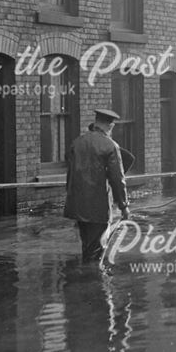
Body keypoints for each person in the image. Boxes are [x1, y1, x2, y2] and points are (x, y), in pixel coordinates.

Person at [64, 108, 130, 261]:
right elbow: (117, 179)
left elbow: (70, 175)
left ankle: (84, 280)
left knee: (87, 246)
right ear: (110, 126)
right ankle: (93, 282)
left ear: (95, 123)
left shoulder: (77, 142)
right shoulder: (111, 146)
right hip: (98, 208)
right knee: (96, 251)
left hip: (78, 206)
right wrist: (124, 206)